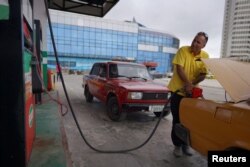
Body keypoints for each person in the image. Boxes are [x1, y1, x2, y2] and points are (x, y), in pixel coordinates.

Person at [168, 32, 209, 157]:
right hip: (178, 92)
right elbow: (179, 68)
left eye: (198, 42)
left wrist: (191, 84)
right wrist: (187, 83)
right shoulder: (183, 50)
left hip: (191, 94)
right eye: (194, 40)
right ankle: (177, 146)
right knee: (177, 120)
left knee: (190, 122)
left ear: (203, 45)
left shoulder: (205, 56)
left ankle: (186, 144)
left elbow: (203, 74)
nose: (194, 43)